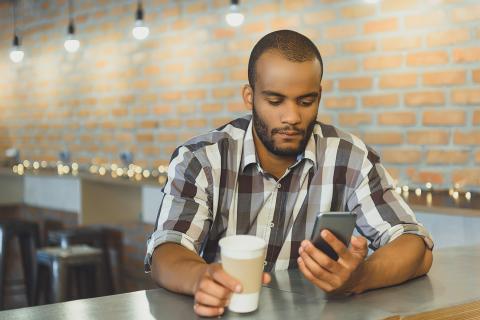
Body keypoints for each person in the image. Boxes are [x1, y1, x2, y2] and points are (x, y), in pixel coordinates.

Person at [144, 30, 434, 317]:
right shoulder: (201, 159)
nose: (292, 117)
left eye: (306, 101)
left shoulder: (351, 157)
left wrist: (361, 277)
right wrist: (200, 278)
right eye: (275, 101)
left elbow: (414, 245)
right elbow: (168, 248)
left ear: (319, 95)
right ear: (250, 96)